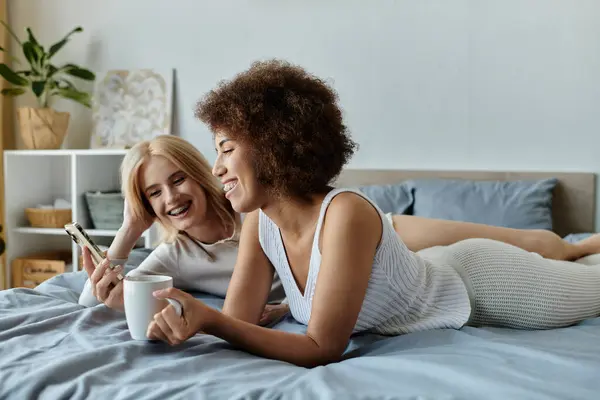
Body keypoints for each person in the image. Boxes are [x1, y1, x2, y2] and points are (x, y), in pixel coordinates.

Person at [145, 59, 600, 368]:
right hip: (435, 270)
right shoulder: (260, 225)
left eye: (226, 148)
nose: (216, 167)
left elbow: (321, 347)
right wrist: (189, 321)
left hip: (485, 284)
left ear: (274, 146)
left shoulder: (346, 214)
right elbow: (239, 324)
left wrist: (209, 317)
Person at [78, 135, 289, 326]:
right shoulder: (175, 254)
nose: (171, 198)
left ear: (198, 175)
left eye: (178, 180)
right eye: (155, 193)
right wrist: (129, 229)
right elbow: (89, 301)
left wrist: (286, 308)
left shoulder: (249, 208)